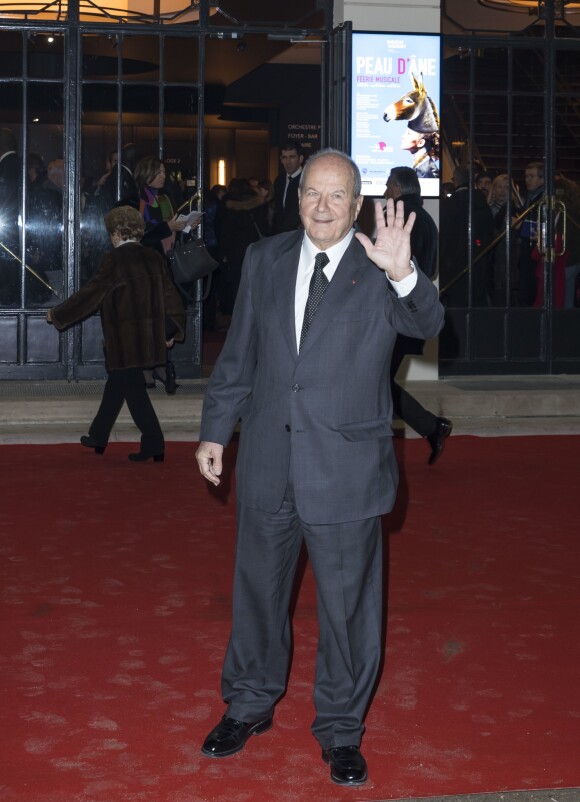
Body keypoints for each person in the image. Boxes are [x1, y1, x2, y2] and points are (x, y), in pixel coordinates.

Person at [195, 149, 444, 786]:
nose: (324, 207)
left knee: (347, 612)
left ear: (357, 205)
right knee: (257, 598)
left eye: (338, 196)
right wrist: (216, 431)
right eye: (313, 193)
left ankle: (340, 729)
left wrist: (405, 274)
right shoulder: (265, 258)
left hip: (345, 470)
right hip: (270, 465)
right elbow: (240, 355)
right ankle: (249, 704)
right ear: (298, 196)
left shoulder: (381, 264)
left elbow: (427, 320)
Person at [46, 205, 185, 462]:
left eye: (111, 232)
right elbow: (171, 297)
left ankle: (151, 441)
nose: (110, 237)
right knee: (123, 384)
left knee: (128, 386)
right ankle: (101, 436)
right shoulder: (154, 258)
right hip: (148, 337)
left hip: (124, 338)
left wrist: (57, 314)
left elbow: (90, 295)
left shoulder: (114, 260)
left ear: (119, 233)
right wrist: (171, 330)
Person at [384, 166, 452, 464]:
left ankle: (431, 427)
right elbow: (433, 269)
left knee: (377, 382)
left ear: (397, 188)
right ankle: (432, 427)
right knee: (379, 382)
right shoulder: (427, 220)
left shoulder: (397, 219)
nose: (386, 190)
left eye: (388, 185)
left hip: (394, 314)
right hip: (413, 312)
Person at [134, 155, 188, 393]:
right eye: (159, 172)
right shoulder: (140, 199)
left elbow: (167, 226)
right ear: (147, 174)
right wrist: (169, 227)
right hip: (145, 265)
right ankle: (150, 366)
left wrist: (184, 225)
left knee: (164, 313)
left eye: (164, 172)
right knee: (149, 315)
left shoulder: (163, 198)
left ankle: (159, 364)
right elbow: (141, 235)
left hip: (163, 263)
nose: (164, 176)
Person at [517, 161, 545, 306]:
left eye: (532, 176)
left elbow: (545, 228)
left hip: (538, 250)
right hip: (528, 249)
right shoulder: (531, 196)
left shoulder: (544, 199)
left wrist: (521, 226)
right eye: (526, 176)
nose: (527, 180)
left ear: (542, 179)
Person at [273, 141, 304, 233]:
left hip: (299, 234)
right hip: (280, 234)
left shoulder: (307, 180)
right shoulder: (279, 181)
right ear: (280, 159)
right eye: (284, 157)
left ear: (300, 159)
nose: (288, 162)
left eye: (292, 157)